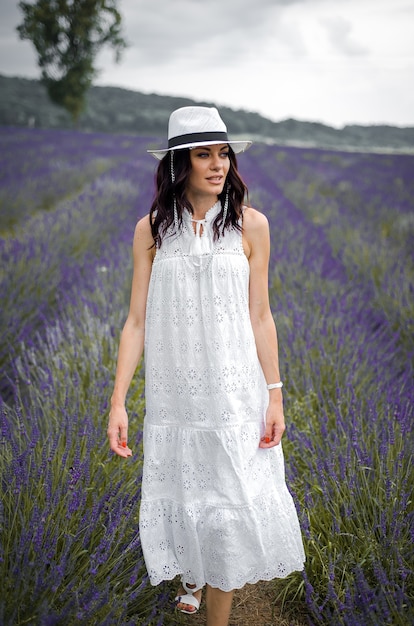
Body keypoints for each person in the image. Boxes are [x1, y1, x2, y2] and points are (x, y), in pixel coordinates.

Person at [108, 106, 305, 626]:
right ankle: (191, 573)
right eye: (203, 154)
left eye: (224, 154)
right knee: (191, 497)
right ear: (180, 164)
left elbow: (261, 316)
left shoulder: (251, 225)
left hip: (236, 394)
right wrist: (118, 402)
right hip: (178, 397)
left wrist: (275, 394)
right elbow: (134, 322)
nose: (217, 165)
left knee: (228, 509)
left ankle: (214, 608)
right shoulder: (151, 231)